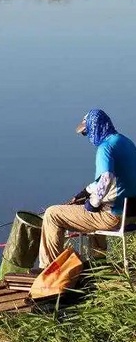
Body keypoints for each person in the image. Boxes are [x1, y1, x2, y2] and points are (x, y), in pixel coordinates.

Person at [39, 109, 136, 269]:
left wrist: (94, 202)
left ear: (95, 128)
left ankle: (49, 270)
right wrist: (84, 193)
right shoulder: (125, 142)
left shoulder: (105, 148)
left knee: (52, 214)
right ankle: (99, 265)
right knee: (94, 209)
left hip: (114, 217)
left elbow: (106, 177)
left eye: (87, 132)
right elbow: (113, 180)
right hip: (131, 215)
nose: (88, 137)